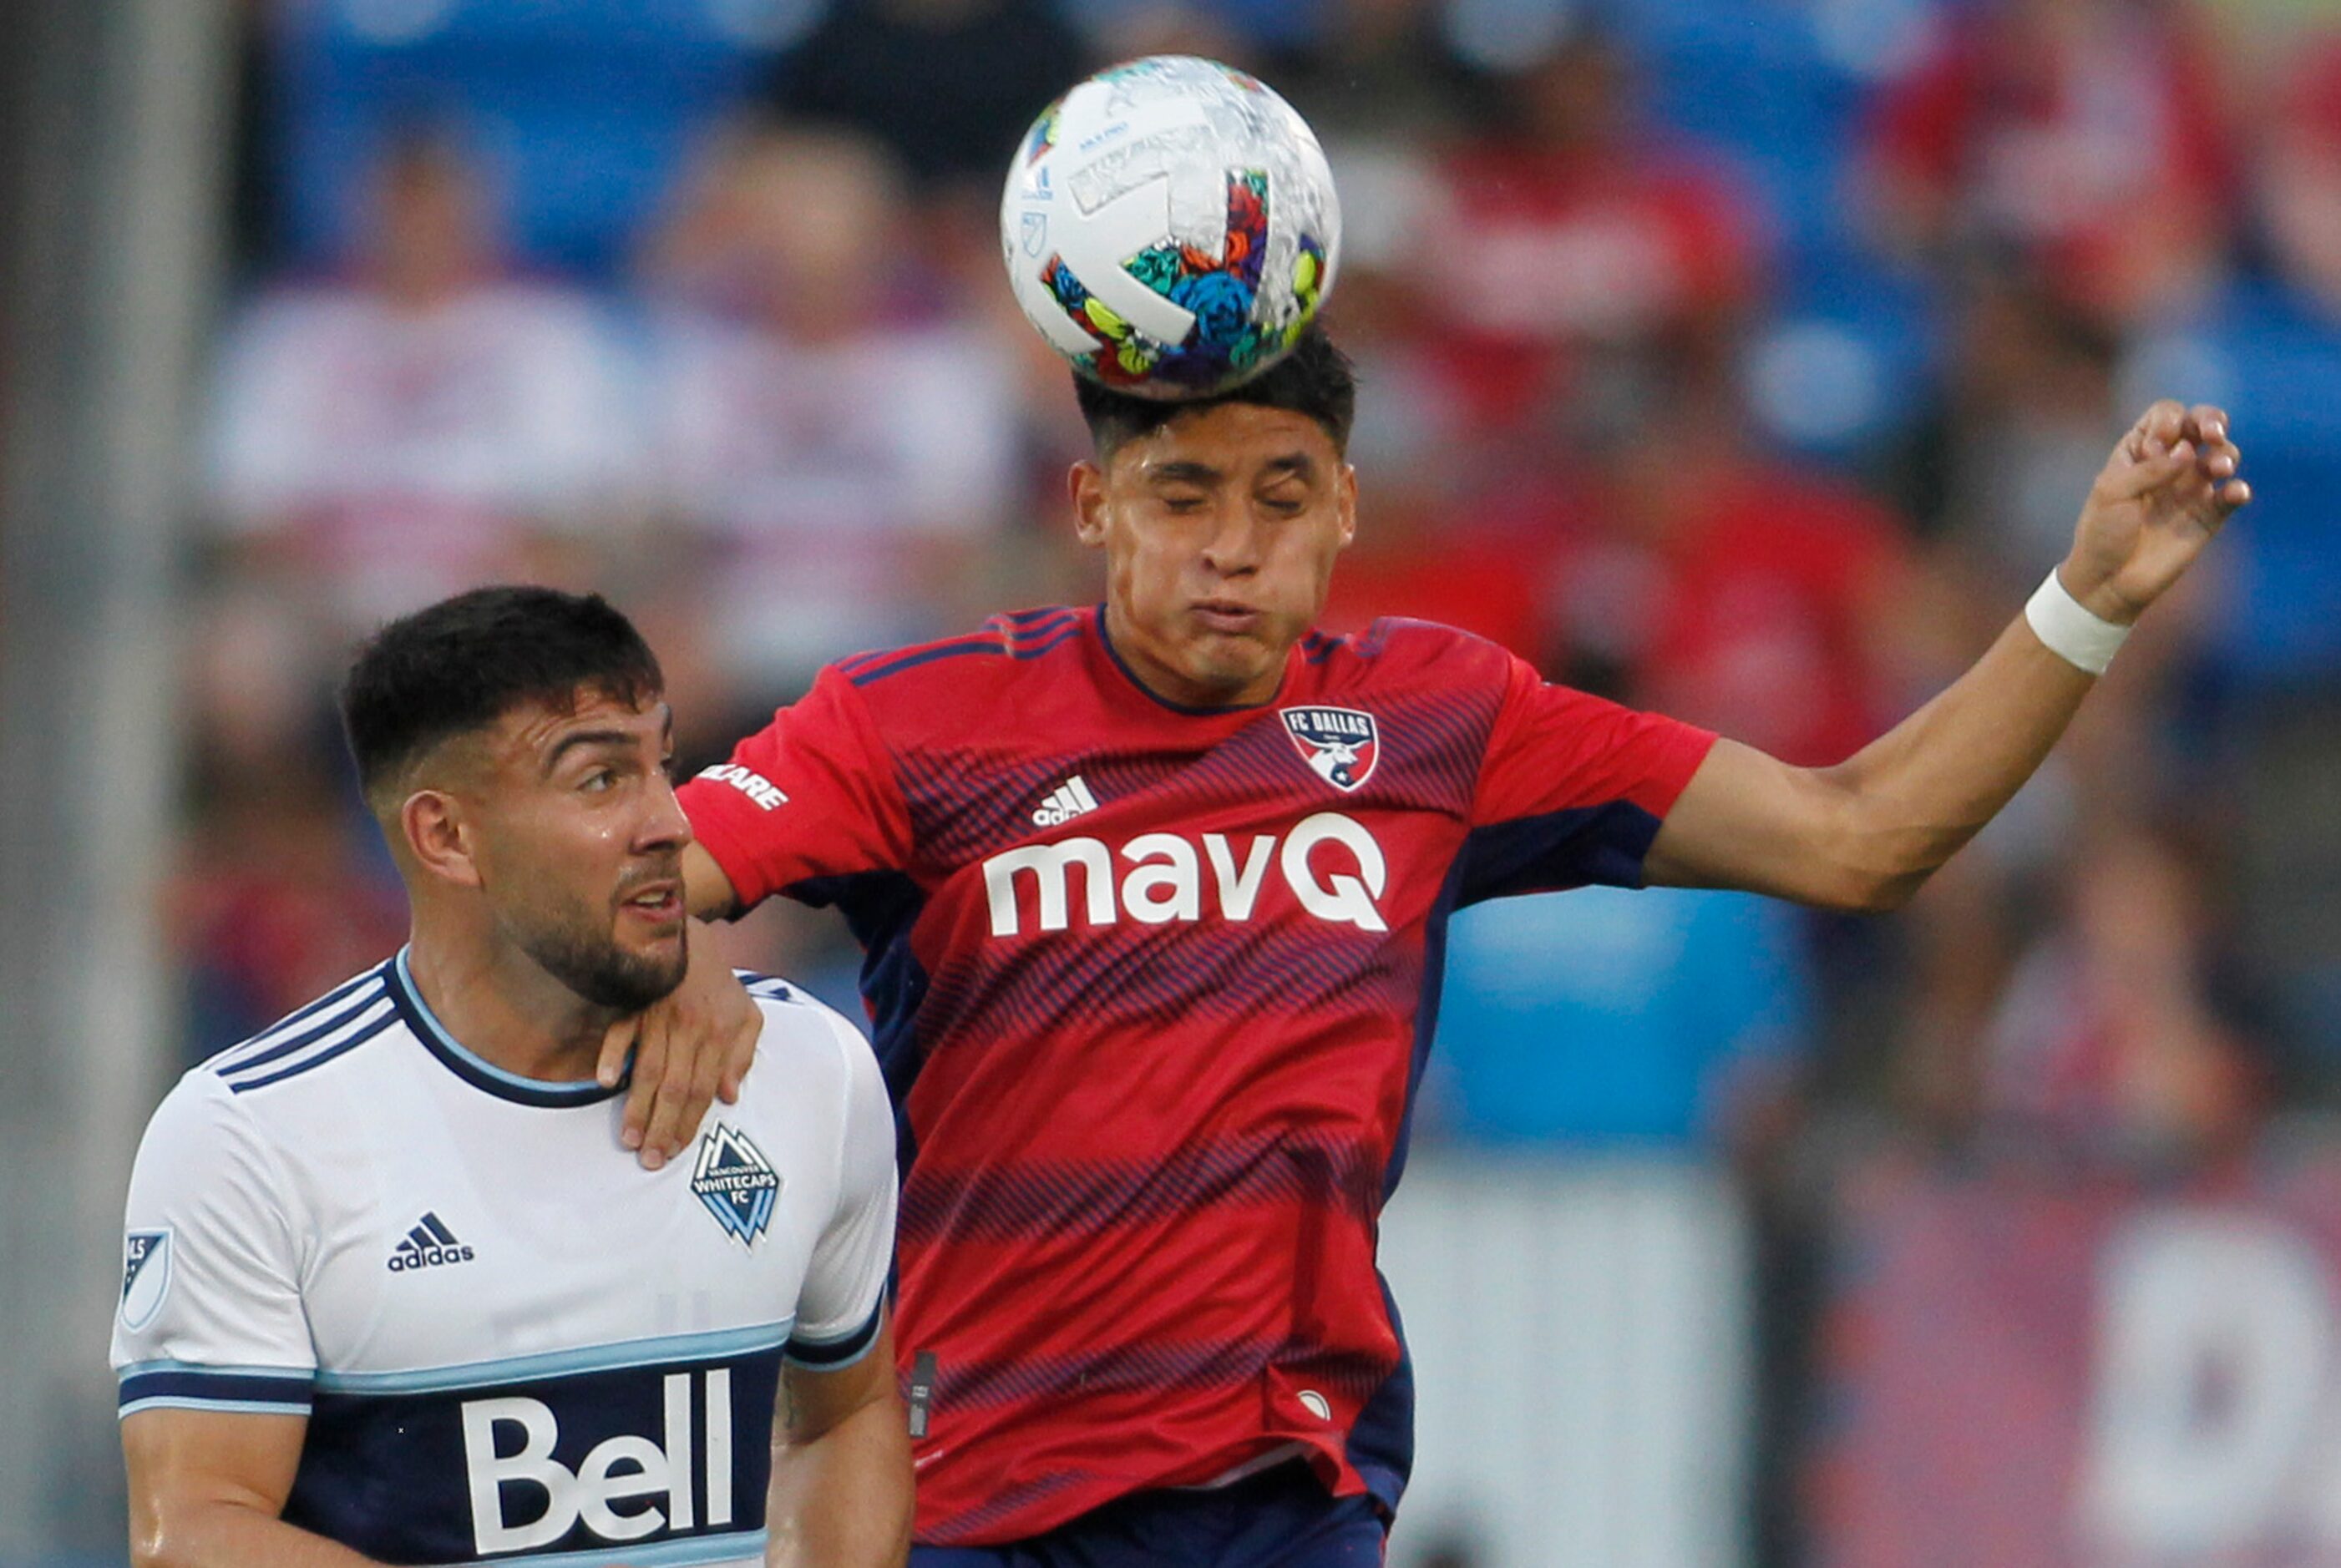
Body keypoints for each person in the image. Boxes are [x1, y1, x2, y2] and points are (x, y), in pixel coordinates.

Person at [611, 328, 2246, 1560]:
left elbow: (1861, 835)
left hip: (1279, 1493)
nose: (1232, 546)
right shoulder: (920, 721)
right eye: (1182, 496)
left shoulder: (1434, 719)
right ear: (1096, 505)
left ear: (1345, 510)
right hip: (969, 1488)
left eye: (1279, 498)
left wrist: (2087, 597)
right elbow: (646, 864)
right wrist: (685, 949)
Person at [113, 588, 911, 1567]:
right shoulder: (249, 1133)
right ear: (446, 836)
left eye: (663, 764)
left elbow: (847, 1416)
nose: (669, 820)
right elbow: (192, 1528)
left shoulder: (806, 1069)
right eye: (599, 781)